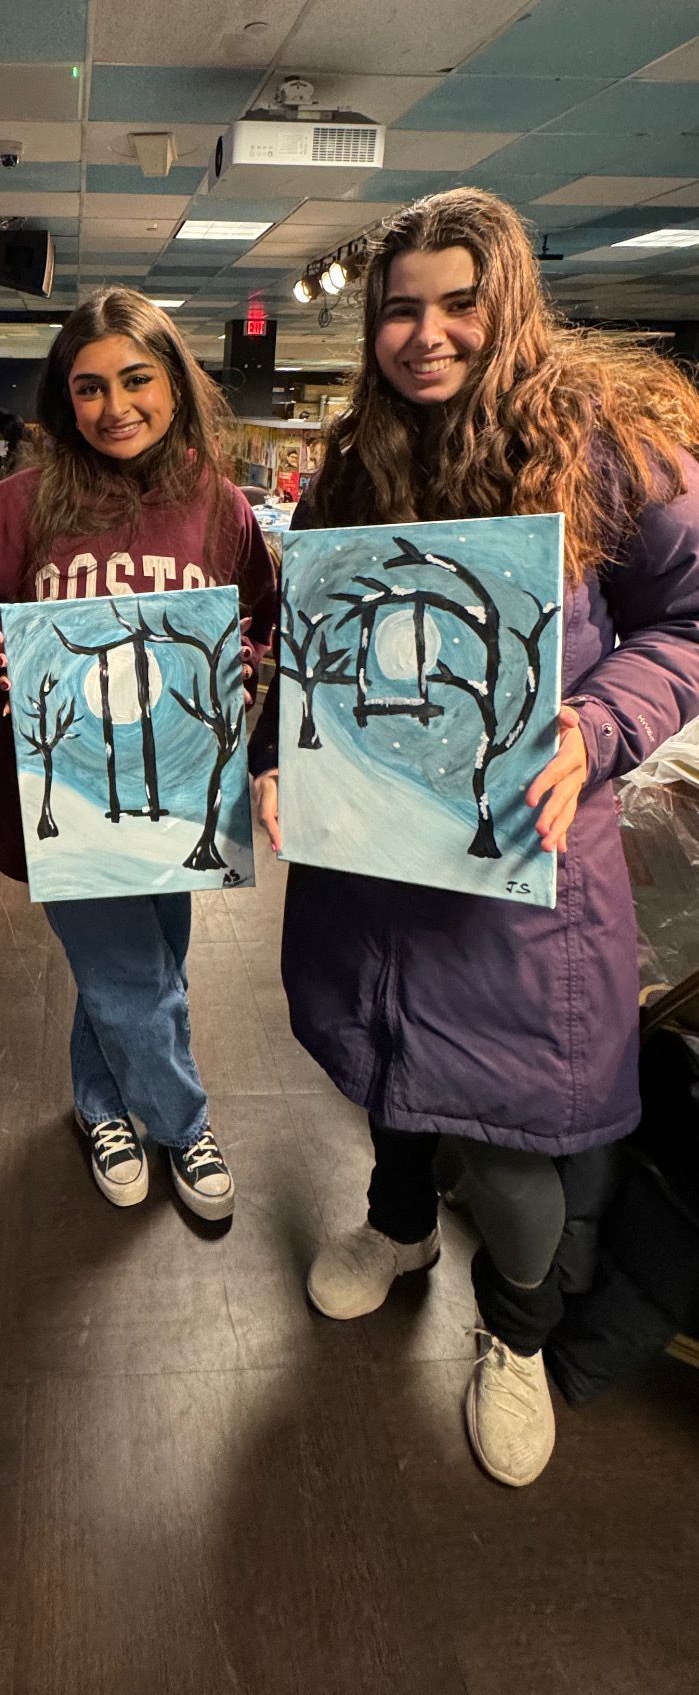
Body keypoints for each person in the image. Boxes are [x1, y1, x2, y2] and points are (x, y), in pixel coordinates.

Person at [250, 188, 699, 1486]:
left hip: (523, 864)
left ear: (507, 305)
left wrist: (589, 728)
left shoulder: (610, 443)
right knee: (385, 1064)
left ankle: (513, 1332)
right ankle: (394, 1226)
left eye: (457, 303)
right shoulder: (353, 460)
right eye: (399, 309)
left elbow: (685, 622)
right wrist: (282, 755)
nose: (425, 333)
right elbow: (316, 646)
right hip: (373, 845)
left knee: (513, 1134)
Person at [0, 287, 277, 1220]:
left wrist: (237, 663)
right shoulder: (5, 514)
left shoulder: (220, 508)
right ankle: (181, 1120)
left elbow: (256, 614)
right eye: (88, 388)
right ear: (63, 399)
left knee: (146, 962)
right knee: (132, 973)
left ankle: (102, 1108)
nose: (114, 406)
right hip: (66, 789)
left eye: (136, 379)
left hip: (179, 787)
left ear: (174, 383)